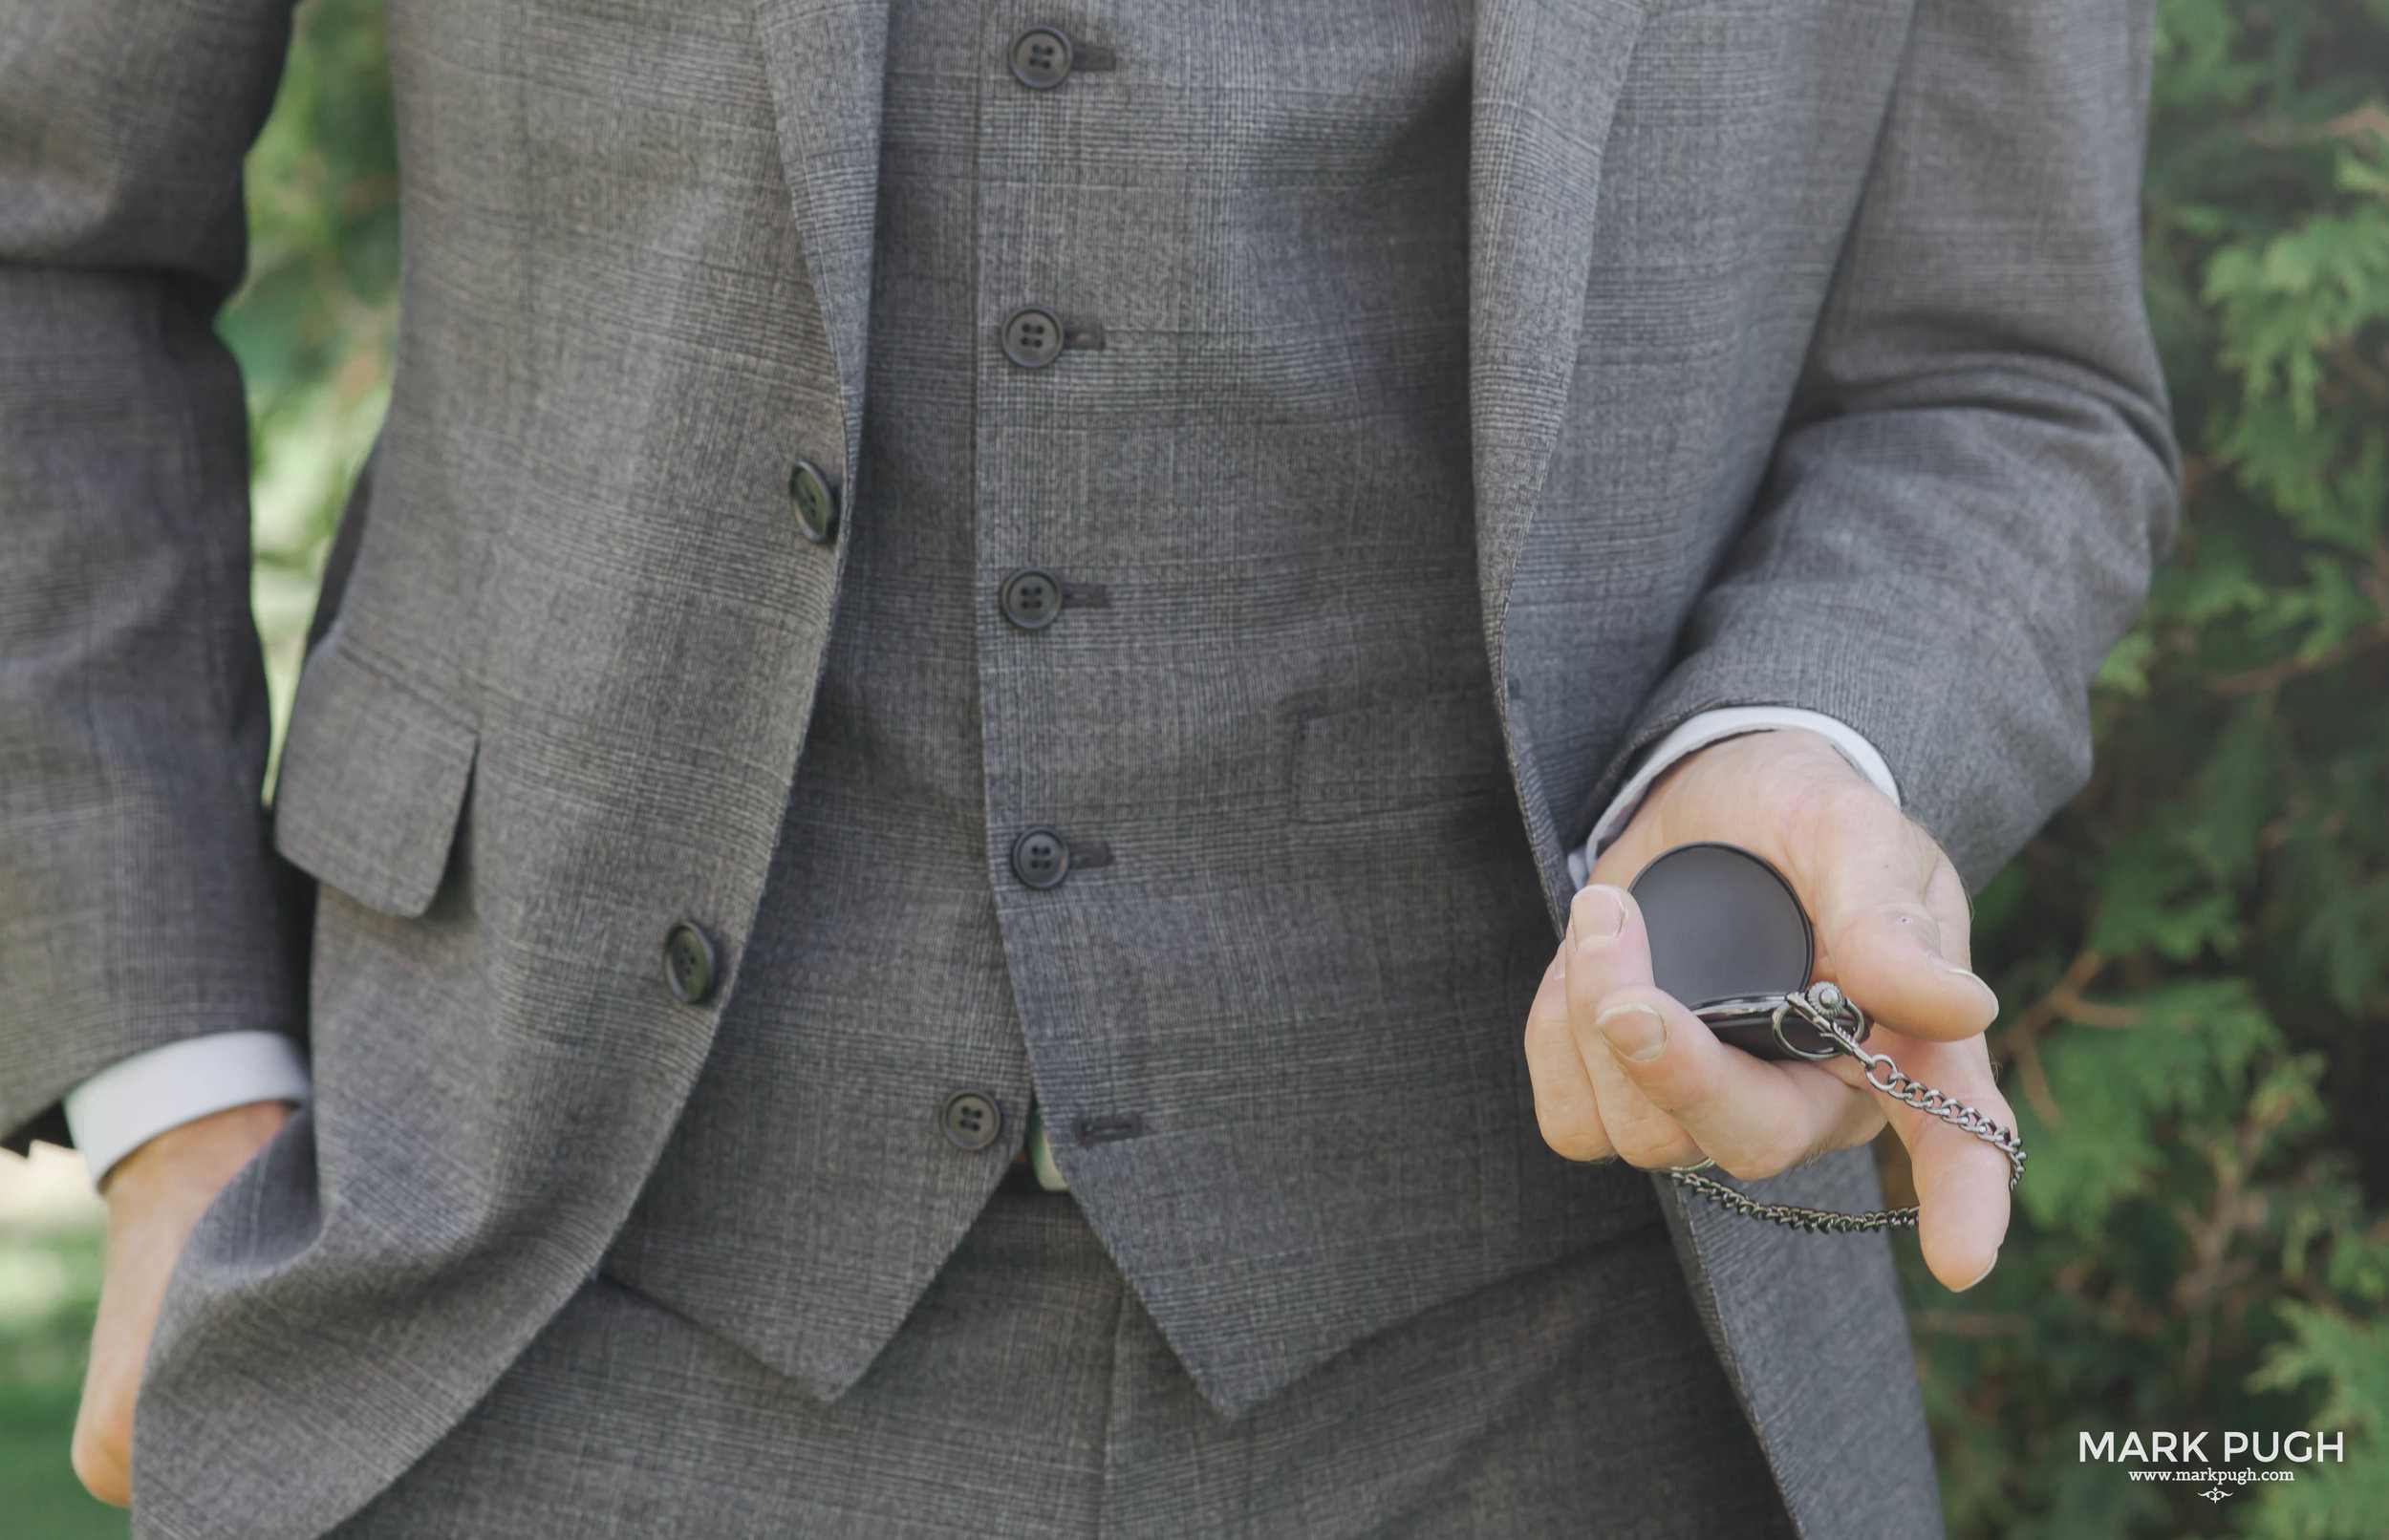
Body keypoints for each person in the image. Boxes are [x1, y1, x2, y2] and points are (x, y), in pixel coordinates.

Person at [0, 0, 2177, 1535]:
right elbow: (49, 237)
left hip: (1564, 1362)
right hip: (539, 1312)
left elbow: (1996, 373)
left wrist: (1785, 747)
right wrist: (179, 1104)